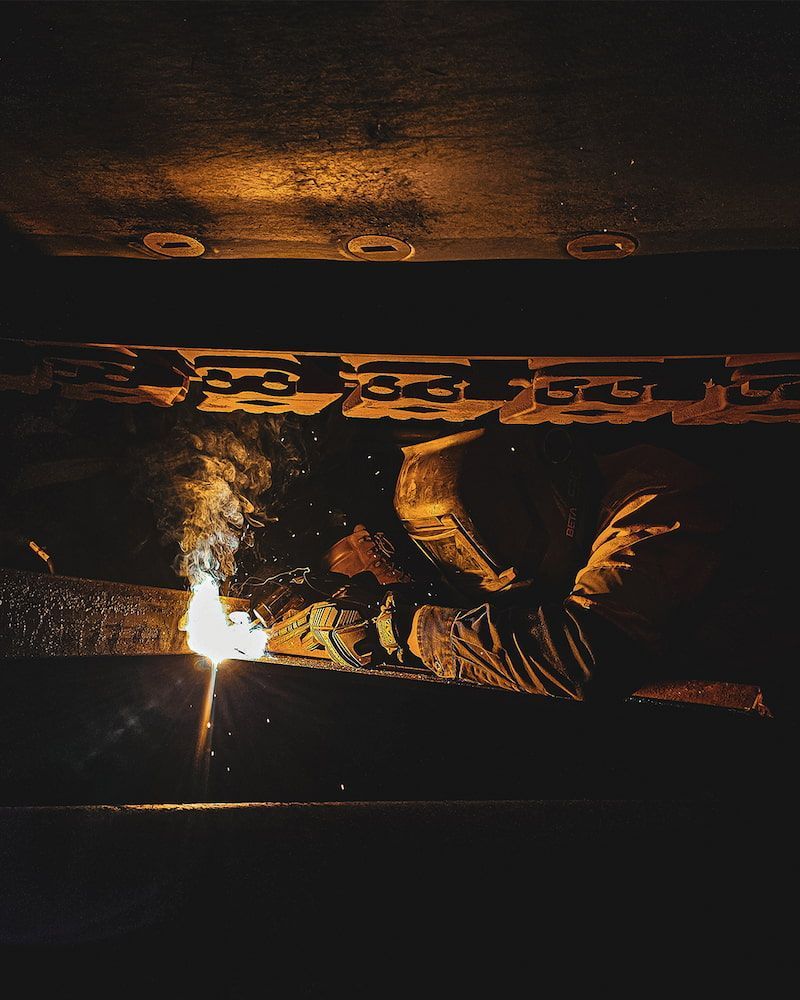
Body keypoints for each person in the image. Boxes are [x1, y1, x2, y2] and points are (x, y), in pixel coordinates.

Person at [255, 424, 778, 708]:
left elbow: (582, 657)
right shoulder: (552, 512)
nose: (503, 581)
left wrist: (403, 629)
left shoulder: (663, 503)